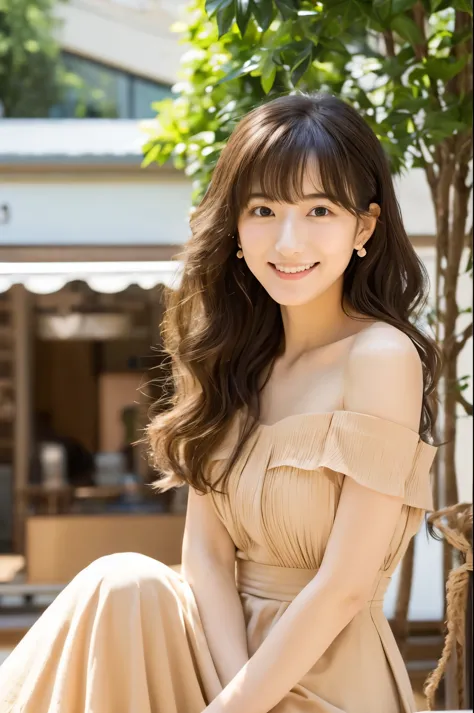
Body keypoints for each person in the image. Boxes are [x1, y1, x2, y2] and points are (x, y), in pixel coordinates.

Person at [0, 92, 441, 713]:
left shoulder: (379, 356)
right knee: (120, 582)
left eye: (319, 210)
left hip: (323, 668)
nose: (288, 242)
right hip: (219, 654)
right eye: (264, 209)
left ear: (363, 226)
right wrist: (228, 690)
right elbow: (204, 558)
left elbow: (343, 587)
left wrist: (238, 705)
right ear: (235, 225)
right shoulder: (233, 361)